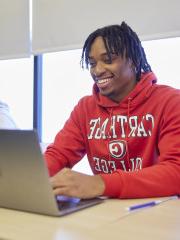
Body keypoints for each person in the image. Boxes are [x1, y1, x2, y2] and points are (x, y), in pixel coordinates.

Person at [44, 22, 180, 199]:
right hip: (108, 210)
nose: (98, 70)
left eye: (108, 60)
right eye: (92, 63)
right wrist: (29, 176)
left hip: (156, 210)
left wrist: (100, 183)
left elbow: (175, 172)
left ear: (134, 61)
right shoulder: (85, 108)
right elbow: (59, 154)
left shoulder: (170, 102)